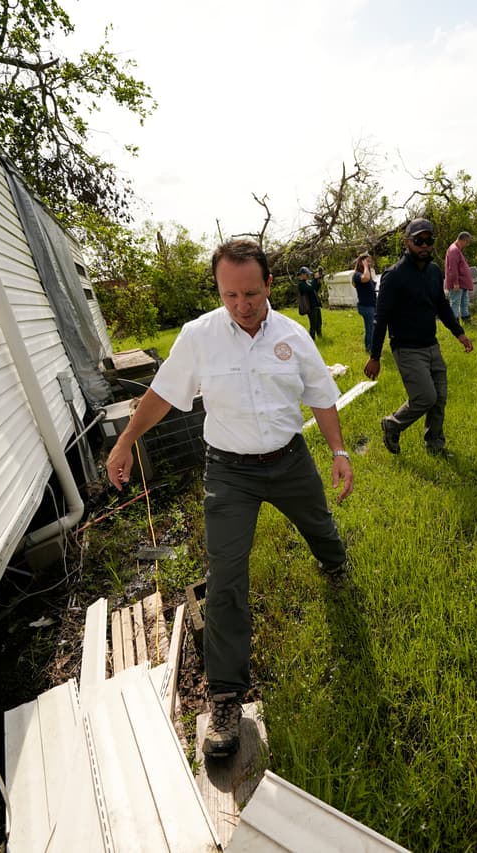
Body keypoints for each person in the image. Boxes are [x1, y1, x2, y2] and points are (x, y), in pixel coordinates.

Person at [106, 240, 353, 759]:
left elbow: (321, 394)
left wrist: (338, 450)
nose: (242, 304)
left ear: (269, 285)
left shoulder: (292, 335)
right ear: (219, 290)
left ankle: (335, 565)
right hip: (229, 471)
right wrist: (126, 440)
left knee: (321, 528)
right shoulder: (198, 337)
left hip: (289, 461)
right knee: (224, 577)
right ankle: (225, 698)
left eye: (252, 293)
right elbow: (162, 394)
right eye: (230, 294)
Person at [364, 218, 473, 456]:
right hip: (406, 348)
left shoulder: (434, 272)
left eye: (429, 241)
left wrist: (460, 334)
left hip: (431, 345)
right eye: (418, 241)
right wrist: (374, 356)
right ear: (407, 243)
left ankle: (435, 445)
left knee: (440, 398)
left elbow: (442, 307)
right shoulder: (394, 276)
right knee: (425, 396)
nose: (424, 246)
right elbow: (380, 318)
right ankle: (392, 424)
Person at [444, 232, 474, 321]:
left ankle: (466, 319)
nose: (467, 245)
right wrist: (455, 283)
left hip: (463, 283)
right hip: (457, 283)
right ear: (463, 240)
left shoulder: (457, 249)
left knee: (464, 302)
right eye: (467, 242)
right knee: (455, 303)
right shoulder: (454, 250)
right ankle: (454, 323)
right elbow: (452, 268)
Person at [352, 253, 377, 353]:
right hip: (366, 306)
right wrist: (366, 266)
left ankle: (372, 346)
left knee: (374, 327)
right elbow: (365, 278)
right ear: (361, 262)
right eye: (367, 261)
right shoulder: (357, 275)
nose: (369, 263)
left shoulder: (366, 273)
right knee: (370, 328)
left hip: (372, 305)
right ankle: (369, 348)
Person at [296, 265, 323, 338]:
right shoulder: (301, 284)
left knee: (319, 323)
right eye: (306, 274)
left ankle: (320, 337)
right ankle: (312, 340)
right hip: (310, 307)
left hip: (315, 305)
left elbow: (315, 289)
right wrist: (315, 279)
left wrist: (318, 280)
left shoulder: (307, 282)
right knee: (313, 325)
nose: (308, 275)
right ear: (302, 274)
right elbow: (310, 289)